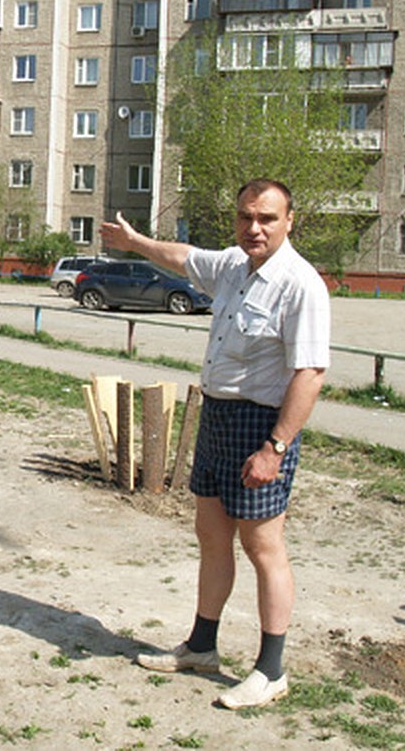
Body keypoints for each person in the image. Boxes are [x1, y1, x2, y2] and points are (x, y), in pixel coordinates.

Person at [98, 179, 329, 710]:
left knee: (263, 547)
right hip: (218, 416)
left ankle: (271, 671)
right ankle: (202, 646)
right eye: (246, 217)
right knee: (211, 534)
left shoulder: (300, 284)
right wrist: (135, 243)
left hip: (262, 426)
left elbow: (311, 373)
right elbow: (184, 257)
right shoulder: (232, 265)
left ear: (289, 221)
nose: (255, 228)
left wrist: (275, 447)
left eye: (267, 218)